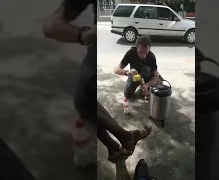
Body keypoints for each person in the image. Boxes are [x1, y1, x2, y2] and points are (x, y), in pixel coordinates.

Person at [43, 0, 152, 161]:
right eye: (141, 52)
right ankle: (122, 141)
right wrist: (128, 72)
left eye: (146, 52)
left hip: (99, 54)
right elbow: (51, 26)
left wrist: (147, 85)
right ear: (137, 48)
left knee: (86, 103)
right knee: (87, 103)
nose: (143, 55)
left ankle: (119, 144)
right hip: (95, 50)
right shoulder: (130, 53)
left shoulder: (152, 57)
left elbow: (155, 75)